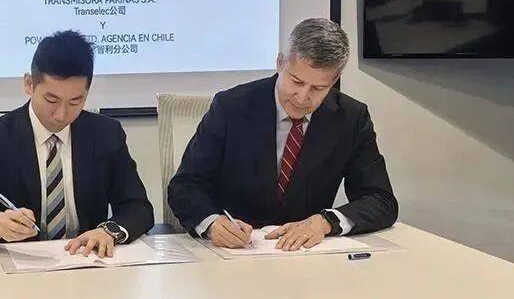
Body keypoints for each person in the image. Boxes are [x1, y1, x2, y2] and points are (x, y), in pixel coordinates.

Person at [168, 18, 397, 251]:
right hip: (235, 250)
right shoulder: (231, 107)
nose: (302, 97)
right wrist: (212, 224)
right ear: (280, 63)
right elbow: (185, 185)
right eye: (296, 81)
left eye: (318, 88)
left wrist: (325, 222)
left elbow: (381, 200)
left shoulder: (350, 118)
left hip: (305, 254)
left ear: (335, 80)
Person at [0, 30, 154, 257]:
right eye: (51, 99)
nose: (61, 114)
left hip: (85, 261)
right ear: (29, 84)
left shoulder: (106, 134)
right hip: (20, 264)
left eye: (75, 101)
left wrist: (109, 231)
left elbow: (139, 208)